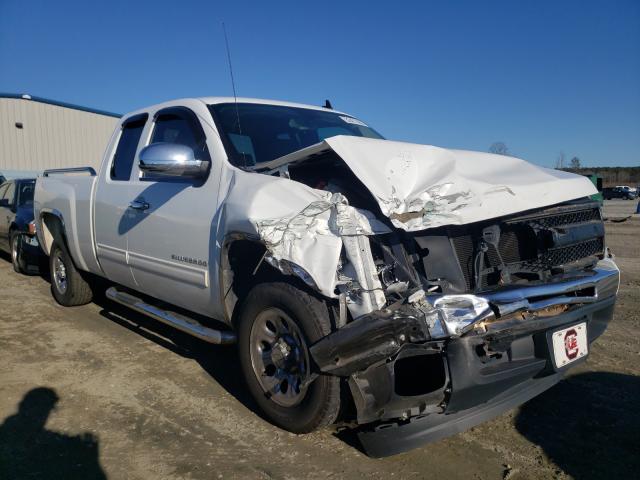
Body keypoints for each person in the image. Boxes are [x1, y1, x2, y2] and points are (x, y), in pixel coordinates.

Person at [0, 387, 106, 479]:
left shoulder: (46, 437)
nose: (40, 414)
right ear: (23, 407)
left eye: (44, 410)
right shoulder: (8, 435)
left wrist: (86, 451)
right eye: (36, 407)